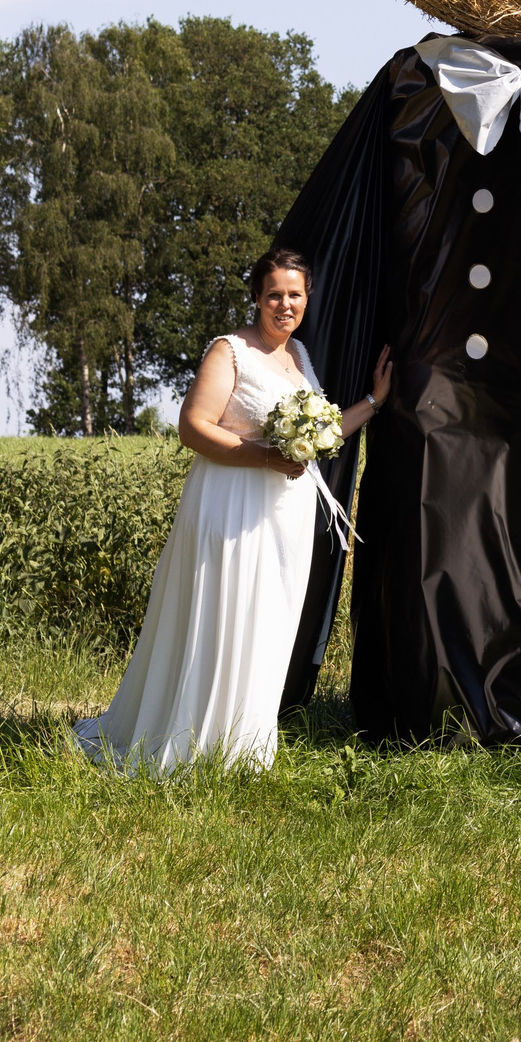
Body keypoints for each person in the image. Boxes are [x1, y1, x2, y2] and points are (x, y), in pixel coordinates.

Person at [75, 248, 391, 773]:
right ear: (256, 298)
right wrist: (265, 455)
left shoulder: (300, 359)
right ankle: (190, 743)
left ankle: (242, 746)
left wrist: (375, 401)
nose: (284, 305)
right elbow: (193, 427)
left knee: (268, 623)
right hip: (231, 505)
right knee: (223, 619)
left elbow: (319, 433)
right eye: (274, 295)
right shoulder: (231, 351)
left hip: (285, 515)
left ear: (307, 299)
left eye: (295, 294)